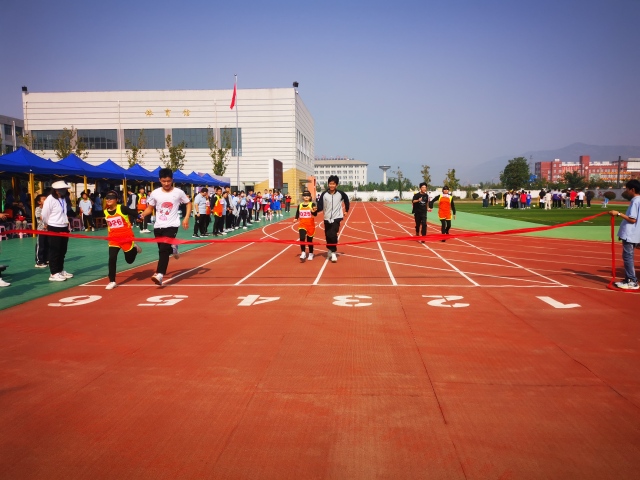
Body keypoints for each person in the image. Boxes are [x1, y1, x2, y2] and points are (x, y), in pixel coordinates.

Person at [140, 168, 191, 286]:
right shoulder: (155, 193)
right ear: (159, 180)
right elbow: (150, 208)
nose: (166, 184)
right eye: (164, 181)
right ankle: (173, 248)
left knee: (163, 250)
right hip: (158, 226)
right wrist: (142, 214)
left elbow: (188, 203)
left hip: (172, 225)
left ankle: (160, 274)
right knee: (162, 250)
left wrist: (187, 217)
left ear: (172, 180)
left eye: (168, 181)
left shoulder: (178, 192)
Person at [103, 191, 142, 290]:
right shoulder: (105, 211)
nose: (109, 200)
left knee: (129, 261)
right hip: (113, 239)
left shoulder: (122, 208)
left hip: (126, 237)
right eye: (107, 198)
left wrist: (139, 217)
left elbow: (133, 213)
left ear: (116, 200)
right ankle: (112, 281)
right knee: (112, 258)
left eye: (111, 198)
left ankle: (135, 248)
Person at [608, 179, 640, 290]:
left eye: (627, 189)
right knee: (628, 257)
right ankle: (629, 279)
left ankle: (631, 281)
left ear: (633, 189)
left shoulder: (636, 201)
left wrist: (618, 213)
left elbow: (632, 219)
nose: (626, 191)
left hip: (631, 234)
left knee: (628, 257)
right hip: (635, 234)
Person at [41, 181, 74, 282]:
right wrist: (47, 224)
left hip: (64, 226)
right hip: (54, 227)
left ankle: (60, 270)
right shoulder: (49, 200)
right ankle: (54, 273)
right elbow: (44, 214)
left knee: (62, 250)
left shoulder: (63, 199)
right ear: (56, 190)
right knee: (54, 250)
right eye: (62, 189)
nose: (65, 191)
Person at [317, 175, 350, 262]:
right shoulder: (324, 194)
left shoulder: (340, 194)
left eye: (333, 184)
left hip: (337, 217)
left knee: (332, 234)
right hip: (327, 217)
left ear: (336, 185)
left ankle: (333, 252)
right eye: (330, 184)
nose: (331, 185)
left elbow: (346, 200)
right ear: (328, 184)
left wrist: (346, 210)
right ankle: (330, 249)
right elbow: (320, 206)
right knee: (328, 235)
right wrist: (314, 211)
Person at [294, 190, 318, 261]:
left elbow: (315, 214)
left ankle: (311, 253)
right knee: (302, 238)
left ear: (310, 197)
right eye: (305, 196)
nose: (306, 197)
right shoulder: (300, 205)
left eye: (308, 196)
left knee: (309, 240)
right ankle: (303, 252)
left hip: (310, 225)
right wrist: (296, 218)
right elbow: (297, 213)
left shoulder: (312, 204)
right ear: (302, 197)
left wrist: (313, 211)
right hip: (302, 224)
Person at [34, 194, 49, 268]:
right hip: (41, 230)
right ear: (39, 202)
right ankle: (39, 261)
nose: (45, 200)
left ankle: (45, 259)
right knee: (41, 245)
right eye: (44, 199)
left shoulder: (47, 209)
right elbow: (40, 218)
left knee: (47, 245)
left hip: (48, 230)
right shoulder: (38, 209)